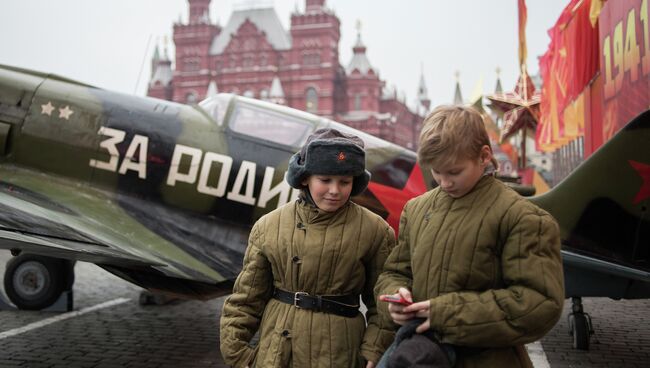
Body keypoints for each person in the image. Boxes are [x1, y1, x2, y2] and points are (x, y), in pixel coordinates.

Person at [375, 105, 564, 367]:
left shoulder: (523, 218)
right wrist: (394, 299)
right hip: (419, 356)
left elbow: (539, 304)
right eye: (436, 172)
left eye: (454, 172)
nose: (444, 182)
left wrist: (448, 315)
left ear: (484, 156)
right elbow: (394, 273)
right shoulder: (416, 209)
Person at [220, 128, 396, 368]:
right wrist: (239, 355)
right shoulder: (268, 227)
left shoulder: (376, 231)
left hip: (341, 354)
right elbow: (246, 299)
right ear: (305, 178)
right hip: (277, 355)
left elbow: (382, 303)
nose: (335, 190)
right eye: (325, 180)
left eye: (344, 182)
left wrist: (374, 349)